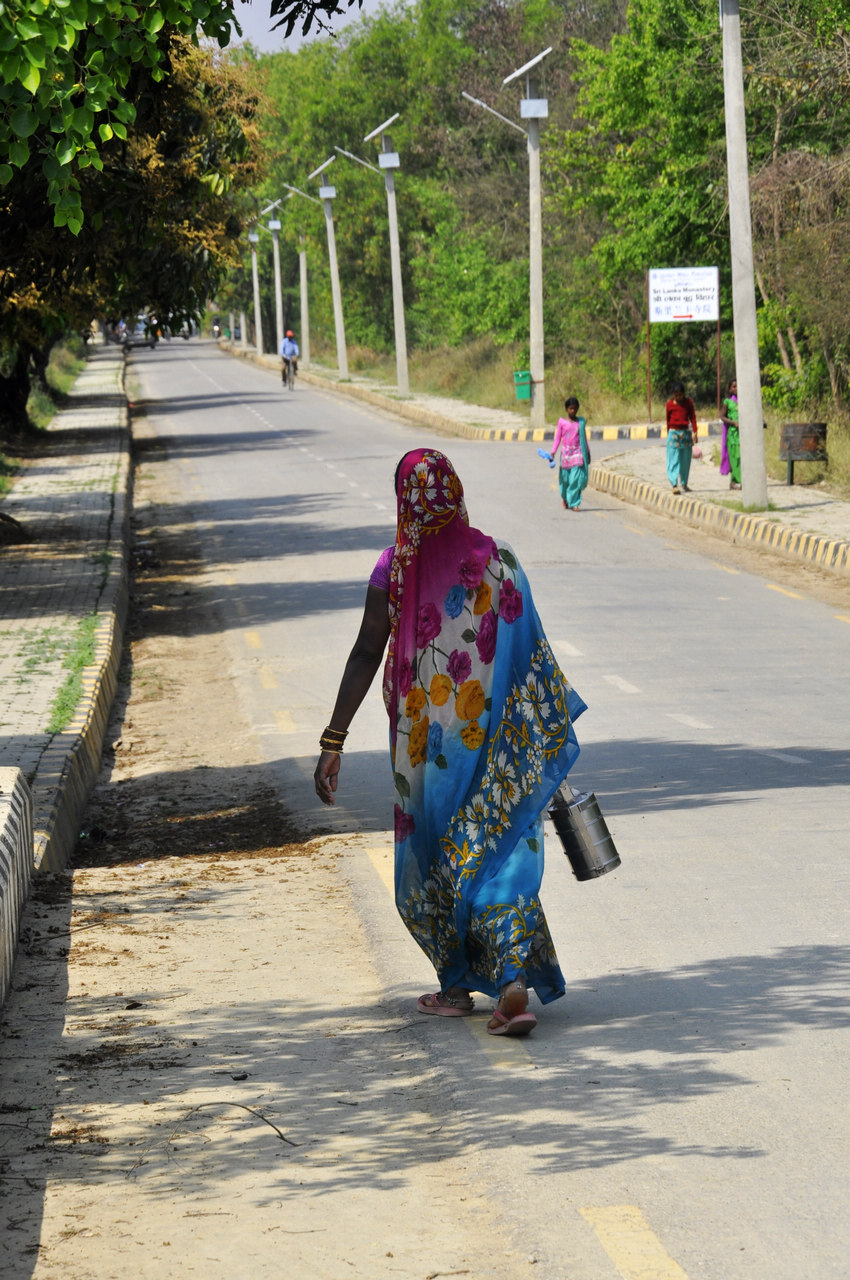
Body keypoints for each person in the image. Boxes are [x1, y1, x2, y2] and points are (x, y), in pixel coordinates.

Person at [314, 448, 586, 1038]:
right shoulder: (501, 563)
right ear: (455, 493)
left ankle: (457, 985)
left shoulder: (394, 570)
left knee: (444, 860)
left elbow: (366, 652)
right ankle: (511, 981)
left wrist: (333, 739)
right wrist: (537, 735)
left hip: (428, 758)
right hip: (499, 748)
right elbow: (529, 657)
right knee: (502, 859)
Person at [548, 397, 590, 510]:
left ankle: (574, 503)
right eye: (571, 409)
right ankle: (566, 498)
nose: (573, 411)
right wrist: (553, 452)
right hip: (566, 456)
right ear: (566, 409)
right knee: (565, 480)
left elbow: (584, 438)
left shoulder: (580, 422)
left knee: (575, 480)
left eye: (575, 409)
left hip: (578, 454)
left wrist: (588, 452)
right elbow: (557, 438)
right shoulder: (562, 422)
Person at [665, 381, 698, 494]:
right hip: (674, 433)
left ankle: (684, 483)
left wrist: (695, 432)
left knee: (685, 459)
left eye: (680, 394)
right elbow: (668, 420)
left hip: (685, 434)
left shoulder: (688, 403)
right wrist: (668, 433)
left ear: (683, 394)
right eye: (675, 394)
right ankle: (674, 484)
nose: (678, 397)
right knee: (673, 458)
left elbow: (692, 417)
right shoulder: (669, 405)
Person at [720, 378, 742, 490]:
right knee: (735, 457)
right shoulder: (727, 402)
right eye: (734, 386)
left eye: (738, 386)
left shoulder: (744, 400)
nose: (736, 388)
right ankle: (738, 481)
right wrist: (733, 422)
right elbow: (722, 417)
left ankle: (734, 482)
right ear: (730, 389)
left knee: (741, 458)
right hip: (733, 435)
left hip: (743, 435)